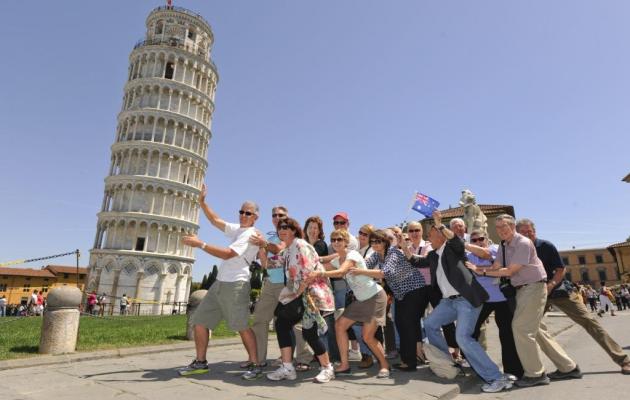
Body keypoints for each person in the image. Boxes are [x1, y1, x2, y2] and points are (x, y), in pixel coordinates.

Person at [467, 214, 577, 388]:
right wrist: (478, 268)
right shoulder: (504, 245)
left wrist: (483, 272)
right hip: (522, 290)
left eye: (504, 226)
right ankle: (568, 367)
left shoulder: (523, 243)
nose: (501, 230)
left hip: (533, 287)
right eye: (498, 227)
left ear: (512, 227)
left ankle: (535, 374)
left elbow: (510, 271)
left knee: (521, 329)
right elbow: (496, 266)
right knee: (537, 331)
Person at [408, 210, 512, 393]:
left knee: (462, 337)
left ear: (440, 235)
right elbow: (416, 262)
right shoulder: (433, 255)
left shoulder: (452, 249)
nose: (427, 237)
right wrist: (402, 244)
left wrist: (440, 224)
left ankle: (496, 377)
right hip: (449, 302)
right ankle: (449, 364)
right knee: (430, 324)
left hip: (467, 300)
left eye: (430, 234)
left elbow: (456, 241)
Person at [516, 218, 630, 375]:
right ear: (517, 234)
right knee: (527, 328)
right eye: (523, 232)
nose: (527, 234)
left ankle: (624, 360)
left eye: (530, 231)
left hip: (559, 291)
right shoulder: (517, 250)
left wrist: (550, 285)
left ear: (534, 231)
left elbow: (561, 270)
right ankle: (558, 367)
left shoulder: (546, 246)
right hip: (535, 294)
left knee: (589, 322)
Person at [179, 185, 262, 380]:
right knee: (199, 321)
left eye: (247, 213)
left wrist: (201, 244)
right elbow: (215, 220)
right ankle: (200, 362)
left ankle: (256, 364)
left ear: (255, 217)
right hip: (219, 283)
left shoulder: (250, 234)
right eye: (241, 211)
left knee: (241, 325)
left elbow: (228, 254)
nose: (243, 215)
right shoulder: (238, 229)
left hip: (236, 284)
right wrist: (202, 203)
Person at [266, 218, 336, 383]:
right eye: (279, 227)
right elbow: (270, 263)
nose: (281, 229)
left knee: (301, 328)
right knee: (289, 326)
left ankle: (326, 368)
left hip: (310, 294)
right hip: (300, 293)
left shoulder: (300, 245)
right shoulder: (288, 249)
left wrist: (295, 294)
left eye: (286, 227)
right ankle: (289, 367)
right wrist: (261, 248)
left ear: (294, 230)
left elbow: (308, 273)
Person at [314, 229, 390, 378]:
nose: (336, 242)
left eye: (339, 239)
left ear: (346, 242)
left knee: (367, 337)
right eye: (333, 240)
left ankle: (385, 366)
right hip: (360, 300)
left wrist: (320, 273)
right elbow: (321, 267)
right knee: (339, 325)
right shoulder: (337, 260)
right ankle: (344, 364)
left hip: (375, 297)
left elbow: (341, 272)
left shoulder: (352, 255)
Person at [248, 207, 314, 372]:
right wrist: (262, 251)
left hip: (288, 284)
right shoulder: (271, 235)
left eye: (281, 216)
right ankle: (259, 359)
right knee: (259, 319)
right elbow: (267, 263)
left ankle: (303, 357)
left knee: (293, 322)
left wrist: (263, 244)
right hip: (270, 282)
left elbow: (278, 249)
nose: (277, 218)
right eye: (274, 215)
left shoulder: (289, 238)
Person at [362, 229, 428, 372]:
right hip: (401, 294)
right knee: (403, 324)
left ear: (385, 242)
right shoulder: (377, 255)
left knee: (406, 325)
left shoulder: (393, 252)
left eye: (378, 241)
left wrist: (359, 271)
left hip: (414, 290)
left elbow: (384, 273)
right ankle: (411, 358)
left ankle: (410, 362)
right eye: (372, 241)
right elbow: (364, 264)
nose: (375, 244)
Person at [467, 229, 524, 379]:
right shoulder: (468, 256)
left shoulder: (495, 249)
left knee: (506, 335)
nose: (478, 242)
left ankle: (513, 371)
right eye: (474, 240)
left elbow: (485, 255)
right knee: (469, 332)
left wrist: (477, 268)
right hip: (482, 300)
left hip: (502, 299)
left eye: (481, 239)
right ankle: (477, 365)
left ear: (487, 239)